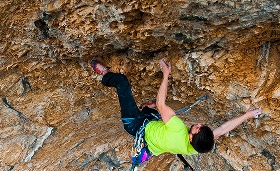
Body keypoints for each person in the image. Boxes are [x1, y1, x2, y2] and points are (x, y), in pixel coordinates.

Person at [92, 58, 262, 157]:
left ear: (190, 137)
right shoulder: (197, 147)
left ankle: (106, 75)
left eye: (197, 128)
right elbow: (224, 129)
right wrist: (247, 115)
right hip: (152, 138)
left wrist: (166, 74)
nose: (199, 124)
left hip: (135, 125)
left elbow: (161, 104)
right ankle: (146, 108)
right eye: (202, 127)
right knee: (153, 110)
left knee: (122, 82)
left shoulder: (178, 128)